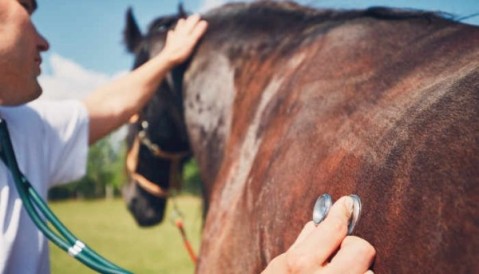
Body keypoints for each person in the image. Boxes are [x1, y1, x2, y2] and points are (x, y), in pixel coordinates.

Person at [0, 0, 375, 273]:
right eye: (27, 9)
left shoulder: (23, 128)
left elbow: (106, 106)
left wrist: (165, 58)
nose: (44, 41)